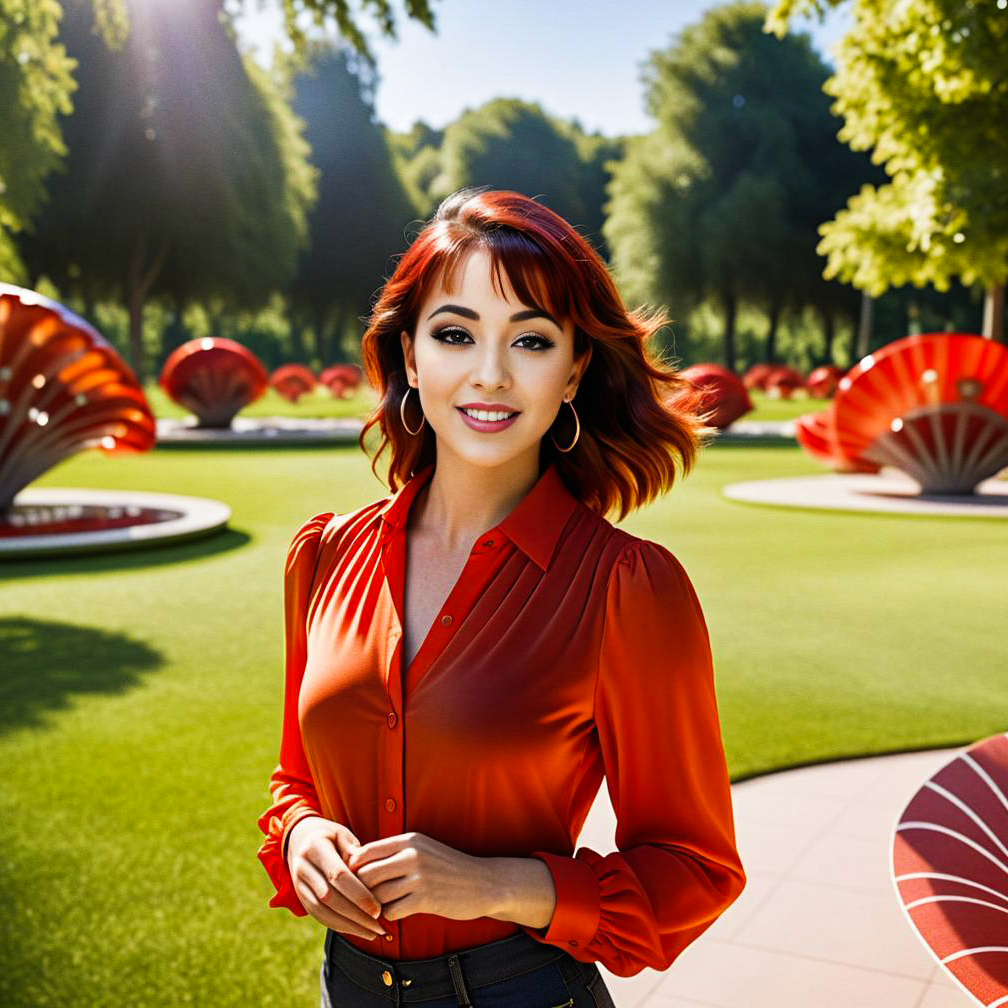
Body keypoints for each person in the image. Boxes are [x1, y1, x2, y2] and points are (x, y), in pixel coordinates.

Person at [256, 187, 746, 1007]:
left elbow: (694, 868)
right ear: (410, 356)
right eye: (454, 334)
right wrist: (301, 833)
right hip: (346, 987)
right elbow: (294, 780)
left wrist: (492, 885)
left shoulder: (628, 589)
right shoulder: (324, 556)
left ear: (574, 369)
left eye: (531, 340)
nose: (489, 374)